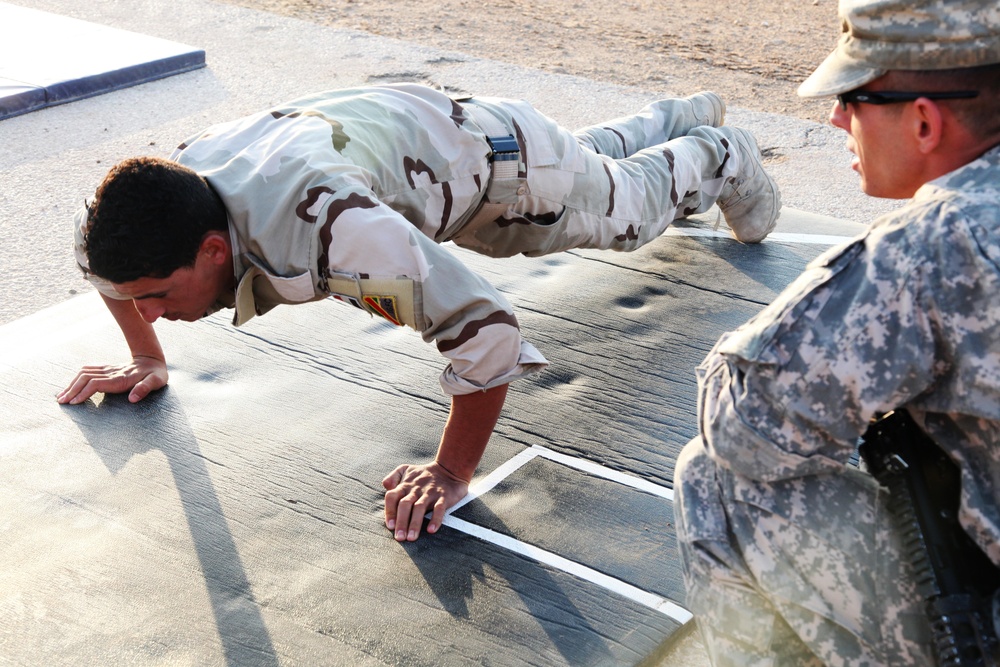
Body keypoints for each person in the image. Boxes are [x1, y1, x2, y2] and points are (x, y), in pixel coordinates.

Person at [57, 83, 781, 543]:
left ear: (215, 251)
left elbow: (488, 333)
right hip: (443, 137)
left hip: (501, 173)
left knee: (622, 211)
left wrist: (450, 472)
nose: (146, 310)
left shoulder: (331, 234)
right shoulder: (163, 210)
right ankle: (680, 113)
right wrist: (146, 355)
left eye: (155, 295)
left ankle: (719, 151)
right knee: (589, 165)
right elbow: (112, 278)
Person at [673, 0, 1000, 664]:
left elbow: (745, 422)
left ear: (924, 119)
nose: (836, 118)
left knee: (714, 477)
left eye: (853, 97)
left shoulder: (939, 244)